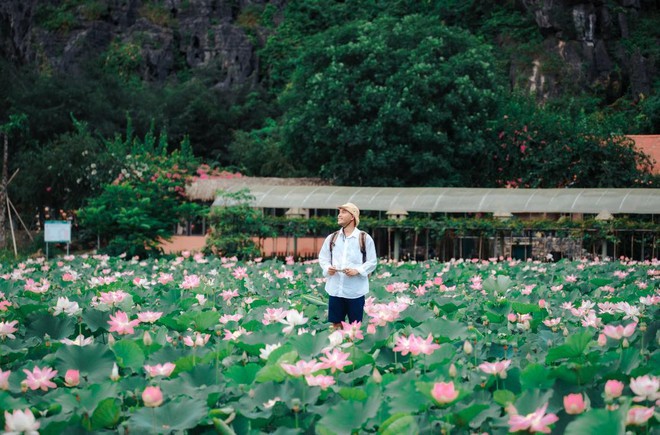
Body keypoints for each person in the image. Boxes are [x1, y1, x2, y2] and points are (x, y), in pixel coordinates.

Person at [318, 203, 377, 329]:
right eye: (339, 212)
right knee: (336, 325)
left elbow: (372, 262)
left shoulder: (364, 238)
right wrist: (328, 268)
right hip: (335, 289)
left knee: (354, 327)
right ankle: (337, 347)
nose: (339, 215)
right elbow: (323, 258)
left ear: (352, 217)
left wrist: (357, 270)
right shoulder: (332, 238)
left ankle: (352, 348)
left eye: (344, 212)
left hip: (355, 291)